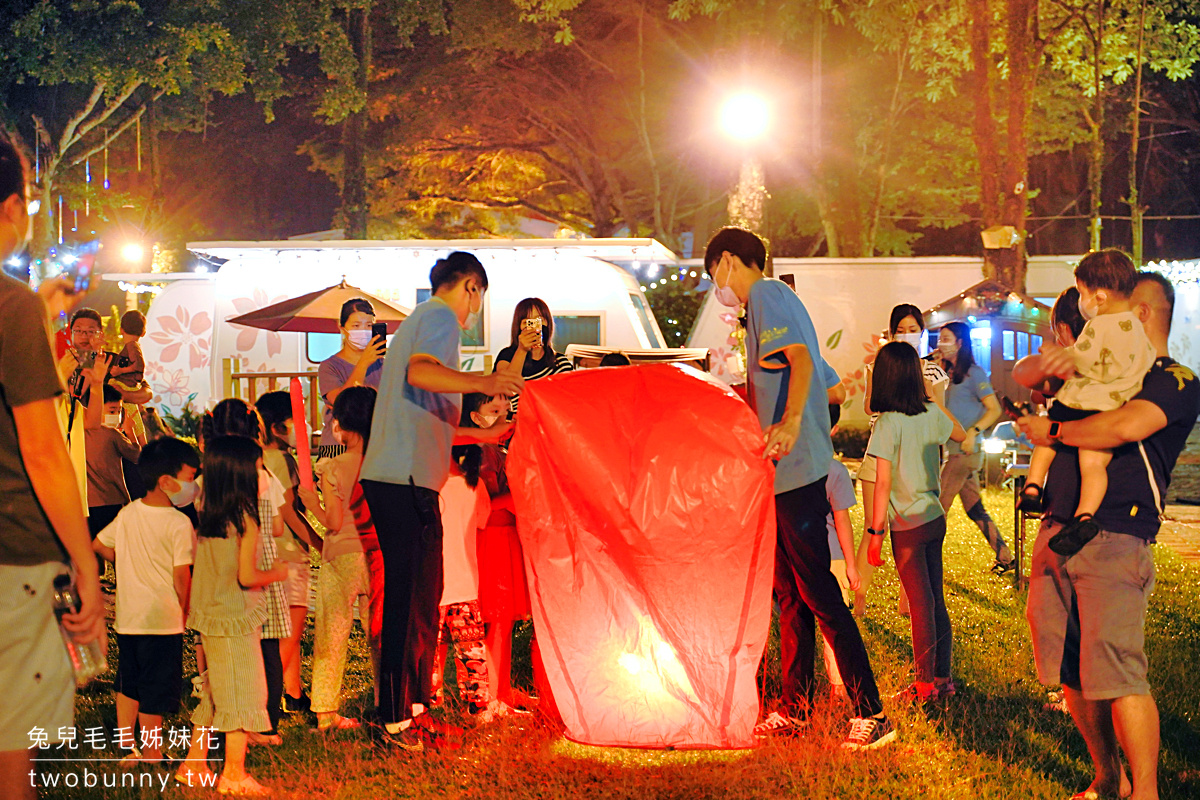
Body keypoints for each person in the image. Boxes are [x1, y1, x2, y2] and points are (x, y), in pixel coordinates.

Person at [705, 227, 893, 750]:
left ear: (725, 261)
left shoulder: (766, 294)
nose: (717, 286)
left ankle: (871, 712)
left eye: (713, 274)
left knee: (818, 593)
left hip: (796, 470)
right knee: (790, 592)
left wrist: (790, 423)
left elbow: (804, 364)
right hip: (785, 471)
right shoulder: (781, 304)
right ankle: (796, 707)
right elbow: (830, 385)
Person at [1015, 271, 1198, 800]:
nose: (1098, 314)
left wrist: (1053, 432)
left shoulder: (1174, 378)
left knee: (1118, 674)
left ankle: (1146, 792)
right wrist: (1049, 358)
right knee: (1073, 674)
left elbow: (1125, 427)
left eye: (1113, 306)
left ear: (1140, 314)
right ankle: (1107, 776)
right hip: (1058, 531)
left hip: (1116, 535)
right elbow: (1029, 375)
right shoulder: (1094, 364)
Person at [360, 252, 522, 751]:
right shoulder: (438, 318)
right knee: (413, 605)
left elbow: (434, 419)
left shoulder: (422, 321)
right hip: (405, 480)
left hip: (401, 477)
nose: (473, 314)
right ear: (471, 287)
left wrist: (483, 433)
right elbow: (420, 373)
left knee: (417, 603)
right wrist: (485, 382)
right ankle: (399, 721)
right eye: (478, 300)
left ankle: (407, 710)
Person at [0, 135, 104, 800]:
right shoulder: (11, 306)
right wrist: (86, 561)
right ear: (11, 208)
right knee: (13, 746)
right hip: (15, 558)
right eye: (32, 198)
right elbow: (40, 449)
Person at [1019, 251, 1157, 550]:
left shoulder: (1099, 326)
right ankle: (1085, 516)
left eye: (1082, 293)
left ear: (1099, 297)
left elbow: (1085, 357)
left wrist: (1061, 357)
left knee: (1047, 437)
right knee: (1094, 464)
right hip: (1110, 413)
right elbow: (1142, 367)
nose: (1081, 301)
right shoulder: (1138, 331)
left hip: (1081, 404)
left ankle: (1032, 487)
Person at [176, 435, 288, 795]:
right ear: (242, 473)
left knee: (215, 689)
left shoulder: (209, 513)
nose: (263, 474)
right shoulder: (246, 518)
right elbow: (247, 576)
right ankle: (234, 775)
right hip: (235, 618)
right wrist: (278, 573)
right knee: (243, 693)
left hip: (210, 615)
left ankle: (194, 763)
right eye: (258, 467)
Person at [865, 342, 966, 702]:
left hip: (906, 526)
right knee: (936, 599)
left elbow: (883, 484)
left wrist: (876, 532)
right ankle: (943, 678)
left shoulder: (887, 423)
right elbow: (960, 436)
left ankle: (924, 687)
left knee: (920, 604)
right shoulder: (929, 414)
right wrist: (935, 400)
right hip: (934, 518)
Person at [92, 437, 199, 766]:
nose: (192, 486)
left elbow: (98, 544)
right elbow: (182, 577)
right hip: (163, 621)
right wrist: (187, 612)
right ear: (167, 482)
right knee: (155, 688)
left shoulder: (128, 513)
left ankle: (128, 746)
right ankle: (153, 752)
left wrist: (123, 562)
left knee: (129, 681)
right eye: (190, 478)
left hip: (129, 619)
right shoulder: (180, 524)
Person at [200, 399, 291, 744]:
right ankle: (263, 722)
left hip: (217, 580)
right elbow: (280, 526)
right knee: (265, 650)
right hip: (260, 570)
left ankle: (227, 724)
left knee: (222, 657)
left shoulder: (209, 479)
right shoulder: (262, 475)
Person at [855, 304, 950, 616]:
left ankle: (908, 602)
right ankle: (859, 600)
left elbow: (940, 419)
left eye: (913, 329)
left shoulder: (933, 372)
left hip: (915, 459)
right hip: (880, 452)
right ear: (891, 331)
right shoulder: (877, 366)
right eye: (902, 329)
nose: (908, 335)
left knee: (912, 529)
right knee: (873, 525)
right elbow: (869, 408)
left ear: (923, 332)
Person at [297, 386, 383, 732]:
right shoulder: (384, 462)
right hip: (377, 555)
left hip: (340, 556)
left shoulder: (333, 467)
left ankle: (325, 710)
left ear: (340, 426)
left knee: (331, 633)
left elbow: (332, 521)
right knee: (379, 633)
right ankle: (386, 700)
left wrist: (309, 501)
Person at [254, 391, 321, 716]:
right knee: (291, 631)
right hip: (289, 555)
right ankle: (264, 700)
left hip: (266, 552)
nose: (305, 426)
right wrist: (322, 544)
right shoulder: (283, 461)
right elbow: (292, 513)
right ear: (279, 427)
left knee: (283, 630)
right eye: (300, 419)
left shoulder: (259, 458)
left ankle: (293, 692)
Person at [465, 393, 533, 710]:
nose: (504, 418)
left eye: (506, 412)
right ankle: (493, 693)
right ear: (475, 419)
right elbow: (481, 507)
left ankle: (501, 688)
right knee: (496, 618)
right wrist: (518, 494)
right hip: (492, 538)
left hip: (505, 536)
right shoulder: (479, 455)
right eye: (495, 411)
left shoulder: (498, 451)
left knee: (504, 619)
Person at [934, 321, 1012, 573]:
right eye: (939, 339)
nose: (940, 344)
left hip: (964, 453)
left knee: (938, 509)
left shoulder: (974, 374)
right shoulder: (944, 373)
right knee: (974, 507)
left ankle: (929, 563)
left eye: (946, 339)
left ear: (959, 343)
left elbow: (995, 409)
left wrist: (973, 432)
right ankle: (1006, 557)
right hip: (954, 451)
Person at [430, 437, 493, 720]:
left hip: (432, 582)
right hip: (466, 579)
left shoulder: (428, 487)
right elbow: (482, 522)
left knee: (429, 649)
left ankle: (429, 704)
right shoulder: (474, 484)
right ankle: (478, 708)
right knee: (471, 651)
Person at [821, 404, 862, 703]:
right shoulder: (836, 470)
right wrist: (851, 565)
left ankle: (799, 688)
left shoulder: (785, 468)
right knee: (833, 626)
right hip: (833, 556)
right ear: (833, 429)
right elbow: (842, 520)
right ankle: (839, 687)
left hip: (796, 553)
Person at [317, 298, 385, 459]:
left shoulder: (384, 365)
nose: (363, 330)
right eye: (356, 326)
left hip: (374, 445)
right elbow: (341, 401)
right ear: (342, 328)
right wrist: (364, 362)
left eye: (369, 325)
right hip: (337, 446)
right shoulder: (329, 366)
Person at [494, 297, 573, 414]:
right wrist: (522, 349)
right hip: (518, 424)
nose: (534, 327)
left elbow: (572, 398)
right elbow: (507, 389)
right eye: (527, 322)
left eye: (539, 320)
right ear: (518, 326)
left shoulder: (560, 362)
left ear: (548, 324)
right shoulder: (507, 356)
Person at [85, 383, 143, 539]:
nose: (116, 416)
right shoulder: (112, 435)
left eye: (119, 411)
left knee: (95, 548)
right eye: (112, 411)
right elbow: (137, 455)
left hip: (86, 503)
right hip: (112, 500)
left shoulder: (81, 432)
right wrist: (131, 432)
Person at [107, 309, 151, 441]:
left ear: (121, 330)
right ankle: (142, 447)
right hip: (128, 387)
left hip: (123, 385)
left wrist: (120, 371)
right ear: (143, 332)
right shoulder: (134, 345)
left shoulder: (132, 346)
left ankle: (141, 448)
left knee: (133, 420)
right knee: (134, 419)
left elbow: (139, 366)